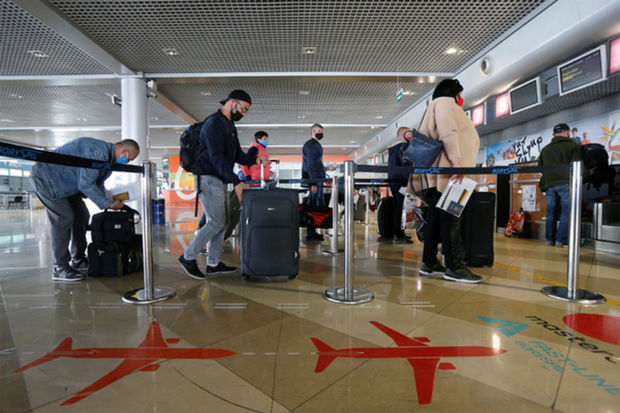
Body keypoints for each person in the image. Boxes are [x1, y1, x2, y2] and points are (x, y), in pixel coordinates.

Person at [177, 90, 267, 279]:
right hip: (208, 177)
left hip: (219, 179)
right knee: (216, 222)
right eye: (243, 109)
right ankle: (188, 257)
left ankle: (213, 263)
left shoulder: (229, 126)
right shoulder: (214, 124)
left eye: (246, 111)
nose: (243, 114)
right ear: (232, 102)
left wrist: (254, 159)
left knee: (221, 222)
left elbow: (237, 155)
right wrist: (237, 182)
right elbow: (216, 157)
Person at [30, 138, 140, 282]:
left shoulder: (108, 160)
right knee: (64, 218)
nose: (127, 162)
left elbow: (97, 183)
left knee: (82, 217)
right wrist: (108, 204)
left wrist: (109, 199)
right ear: (124, 152)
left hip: (68, 185)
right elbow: (86, 184)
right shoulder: (97, 152)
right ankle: (60, 267)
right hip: (47, 180)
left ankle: (78, 258)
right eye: (129, 159)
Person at [417, 79, 482, 283]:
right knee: (452, 220)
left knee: (436, 220)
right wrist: (457, 163)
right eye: (459, 94)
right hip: (451, 176)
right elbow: (448, 132)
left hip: (441, 176)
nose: (460, 98)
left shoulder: (435, 105)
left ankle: (429, 262)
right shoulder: (445, 103)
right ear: (453, 93)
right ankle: (454, 267)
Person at [538, 123, 582, 247]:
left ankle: (549, 239)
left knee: (551, 212)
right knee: (566, 212)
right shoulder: (574, 146)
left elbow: (540, 167)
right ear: (567, 132)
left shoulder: (545, 149)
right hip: (566, 183)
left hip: (549, 184)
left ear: (554, 135)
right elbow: (577, 165)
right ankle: (560, 240)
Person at [387, 126, 414, 243]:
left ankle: (400, 232)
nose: (410, 136)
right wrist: (403, 184)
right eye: (407, 133)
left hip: (398, 183)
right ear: (401, 135)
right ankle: (398, 234)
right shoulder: (399, 149)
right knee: (399, 209)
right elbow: (399, 168)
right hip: (400, 184)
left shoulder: (398, 149)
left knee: (402, 208)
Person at [302, 123, 326, 241]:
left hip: (317, 179)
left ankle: (312, 231)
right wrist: (313, 183)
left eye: (322, 131)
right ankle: (310, 233)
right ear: (313, 132)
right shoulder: (311, 145)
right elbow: (311, 165)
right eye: (318, 131)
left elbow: (315, 164)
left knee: (316, 206)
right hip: (315, 180)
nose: (321, 133)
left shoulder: (315, 145)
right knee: (314, 206)